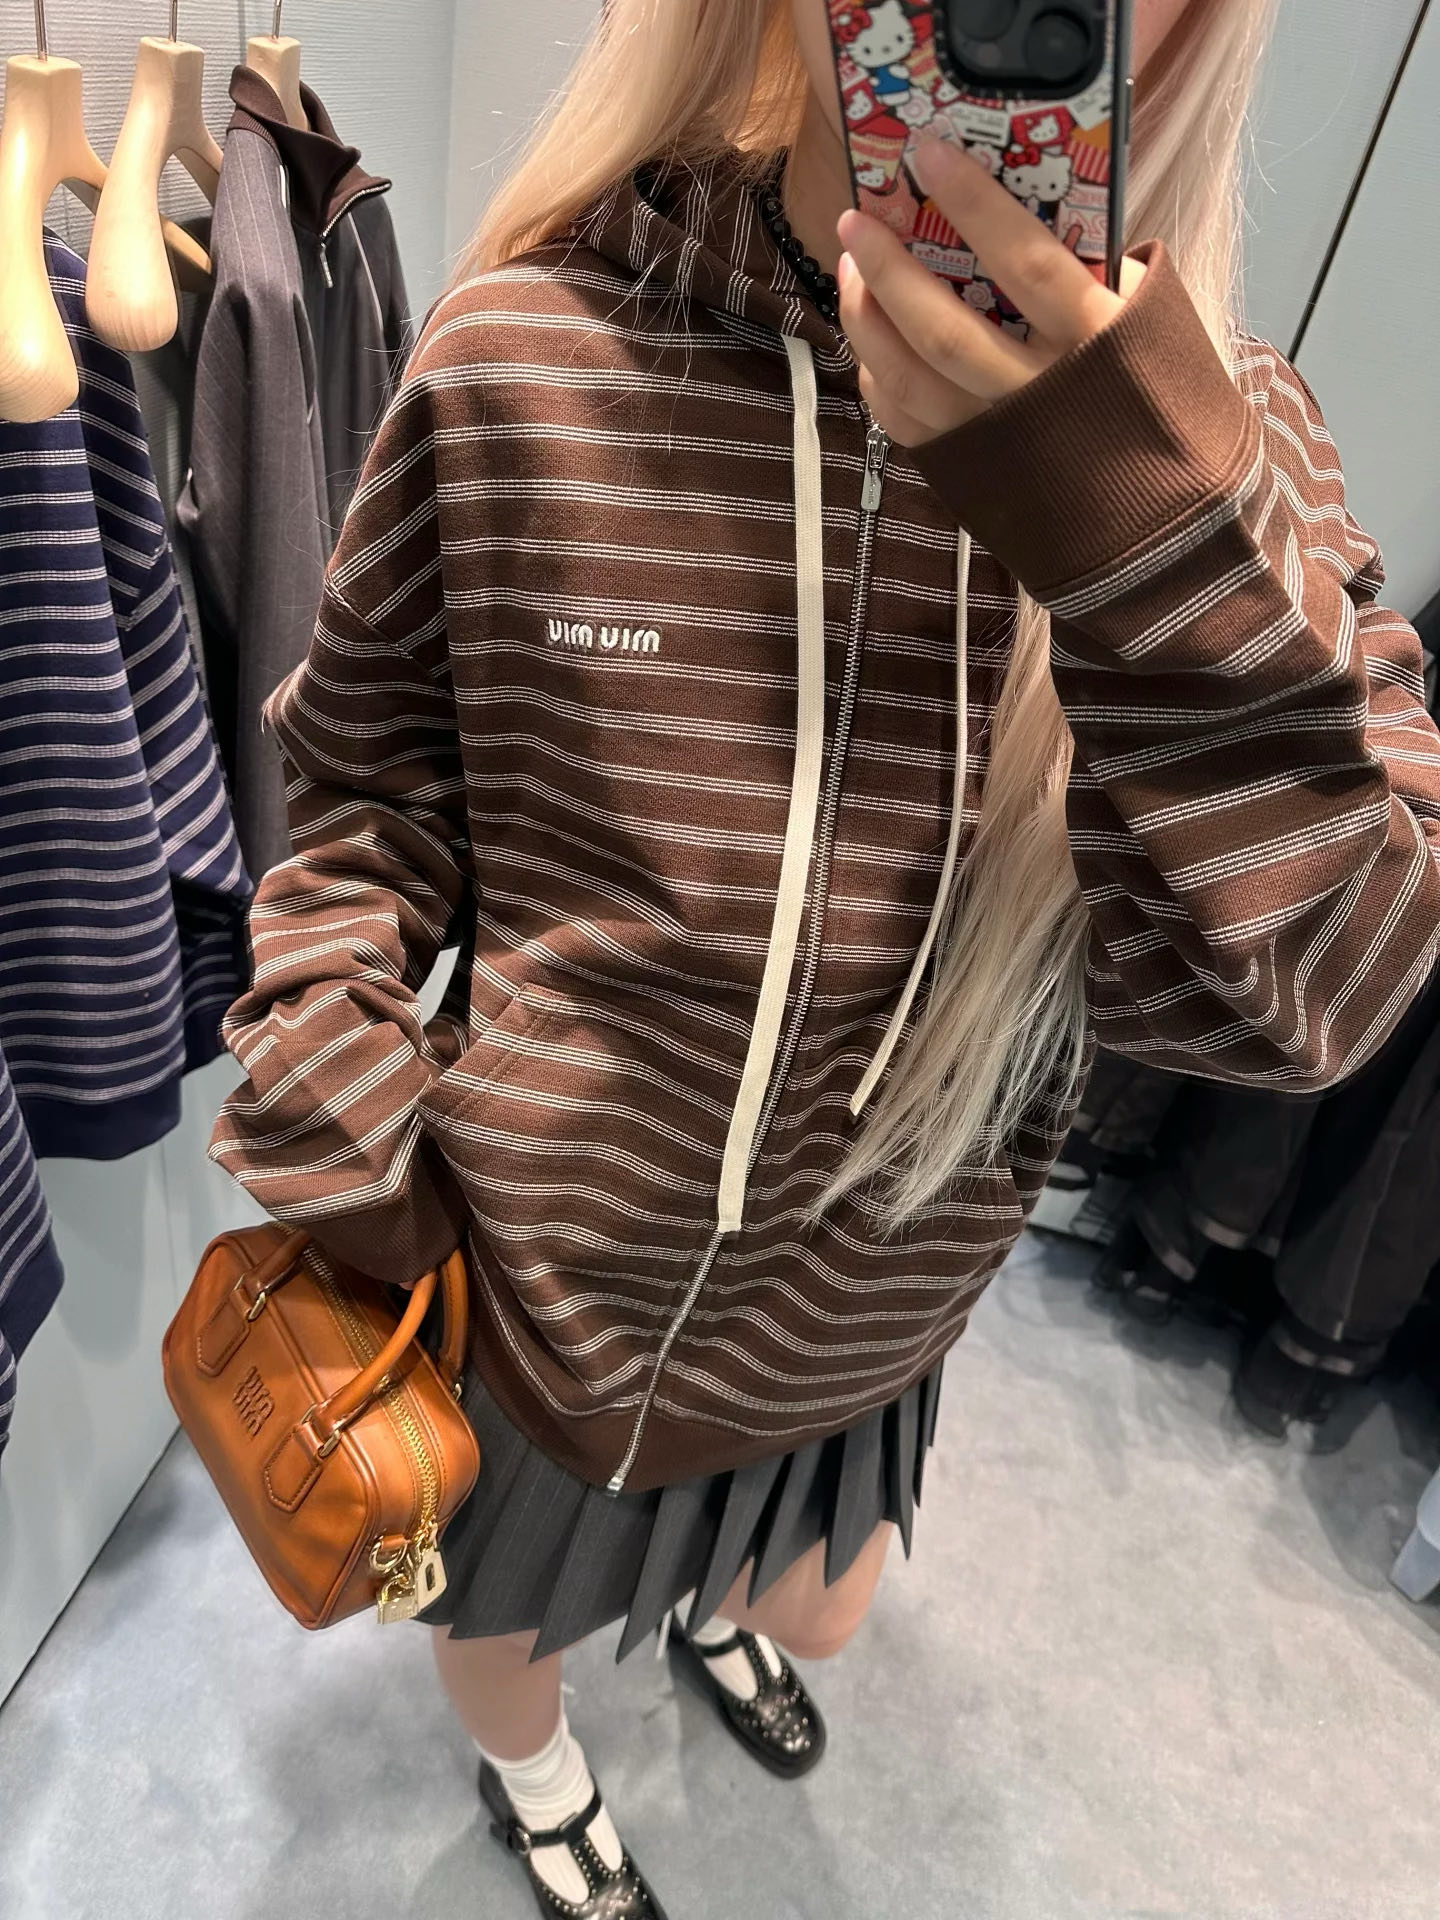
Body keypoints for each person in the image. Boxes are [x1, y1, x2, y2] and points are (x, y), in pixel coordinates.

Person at [208, 0, 1440, 1913]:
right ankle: (535, 1779)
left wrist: (1123, 520)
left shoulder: (1233, 457)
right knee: (505, 1625)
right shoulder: (530, 349)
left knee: (817, 1605)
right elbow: (361, 800)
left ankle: (708, 1614)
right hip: (536, 1292)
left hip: (863, 1317)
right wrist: (345, 1114)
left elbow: (1325, 995)